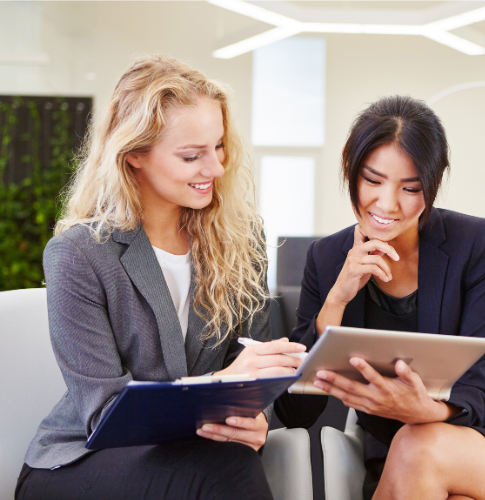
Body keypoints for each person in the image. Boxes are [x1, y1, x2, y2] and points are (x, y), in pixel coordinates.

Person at [15, 55, 306, 500]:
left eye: (219, 147)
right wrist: (220, 386)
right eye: (192, 155)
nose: (216, 169)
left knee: (231, 462)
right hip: (83, 462)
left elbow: (254, 359)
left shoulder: (241, 240)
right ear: (133, 155)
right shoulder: (78, 254)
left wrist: (254, 418)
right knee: (224, 471)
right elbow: (108, 415)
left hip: (199, 457)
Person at [275, 95, 485, 500]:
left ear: (433, 184)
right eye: (373, 180)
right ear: (349, 166)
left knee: (418, 445)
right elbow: (297, 412)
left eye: (411, 188)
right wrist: (336, 303)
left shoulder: (480, 244)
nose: (388, 204)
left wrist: (426, 413)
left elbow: (481, 385)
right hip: (402, 468)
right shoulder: (328, 258)